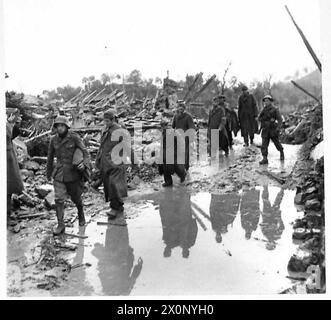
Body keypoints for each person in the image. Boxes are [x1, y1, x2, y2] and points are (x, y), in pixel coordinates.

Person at [46, 115, 90, 235]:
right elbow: (50, 158)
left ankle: (81, 214)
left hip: (73, 173)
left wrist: (84, 165)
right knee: (59, 199)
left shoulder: (74, 137)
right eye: (57, 126)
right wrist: (48, 174)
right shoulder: (53, 140)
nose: (59, 128)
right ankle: (61, 224)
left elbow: (85, 153)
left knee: (76, 198)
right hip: (59, 173)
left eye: (62, 126)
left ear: (66, 126)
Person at [95, 110, 128, 218]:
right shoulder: (105, 130)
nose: (106, 123)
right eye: (105, 121)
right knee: (109, 186)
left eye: (108, 121)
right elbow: (101, 147)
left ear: (113, 120)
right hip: (106, 162)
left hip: (117, 162)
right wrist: (97, 161)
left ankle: (114, 208)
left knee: (114, 184)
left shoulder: (120, 131)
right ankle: (119, 205)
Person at [159, 120, 186, 187]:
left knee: (176, 167)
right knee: (165, 168)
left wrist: (181, 151)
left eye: (164, 125)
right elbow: (162, 144)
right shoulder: (163, 133)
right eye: (162, 126)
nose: (163, 127)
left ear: (167, 125)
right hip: (166, 153)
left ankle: (182, 175)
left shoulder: (174, 132)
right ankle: (168, 181)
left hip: (174, 153)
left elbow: (181, 141)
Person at [258, 95, 284, 165]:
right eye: (265, 101)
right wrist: (264, 120)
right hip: (265, 129)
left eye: (267, 101)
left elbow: (280, 120)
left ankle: (281, 152)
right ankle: (265, 158)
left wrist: (278, 128)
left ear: (270, 101)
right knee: (264, 145)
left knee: (276, 143)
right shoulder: (264, 110)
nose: (266, 102)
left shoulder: (275, 109)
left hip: (273, 129)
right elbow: (259, 118)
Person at [7, 113, 24, 219]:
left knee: (8, 187)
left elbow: (14, 133)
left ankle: (7, 211)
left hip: (8, 157)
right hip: (8, 156)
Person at [171, 100, 195, 171]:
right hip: (177, 137)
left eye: (182, 107)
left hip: (185, 138)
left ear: (184, 108)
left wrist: (191, 137)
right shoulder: (175, 116)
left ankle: (185, 167)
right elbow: (172, 126)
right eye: (179, 107)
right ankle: (178, 167)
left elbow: (192, 127)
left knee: (185, 153)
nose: (180, 108)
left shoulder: (188, 116)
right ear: (177, 108)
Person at [260, 185, 285, 250]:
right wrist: (279, 218)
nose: (268, 243)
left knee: (265, 201)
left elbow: (262, 225)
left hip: (266, 215)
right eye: (270, 245)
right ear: (274, 244)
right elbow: (282, 227)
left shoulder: (265, 234)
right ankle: (282, 190)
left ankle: (265, 187)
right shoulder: (277, 236)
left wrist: (266, 224)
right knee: (277, 202)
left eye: (267, 244)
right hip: (274, 217)